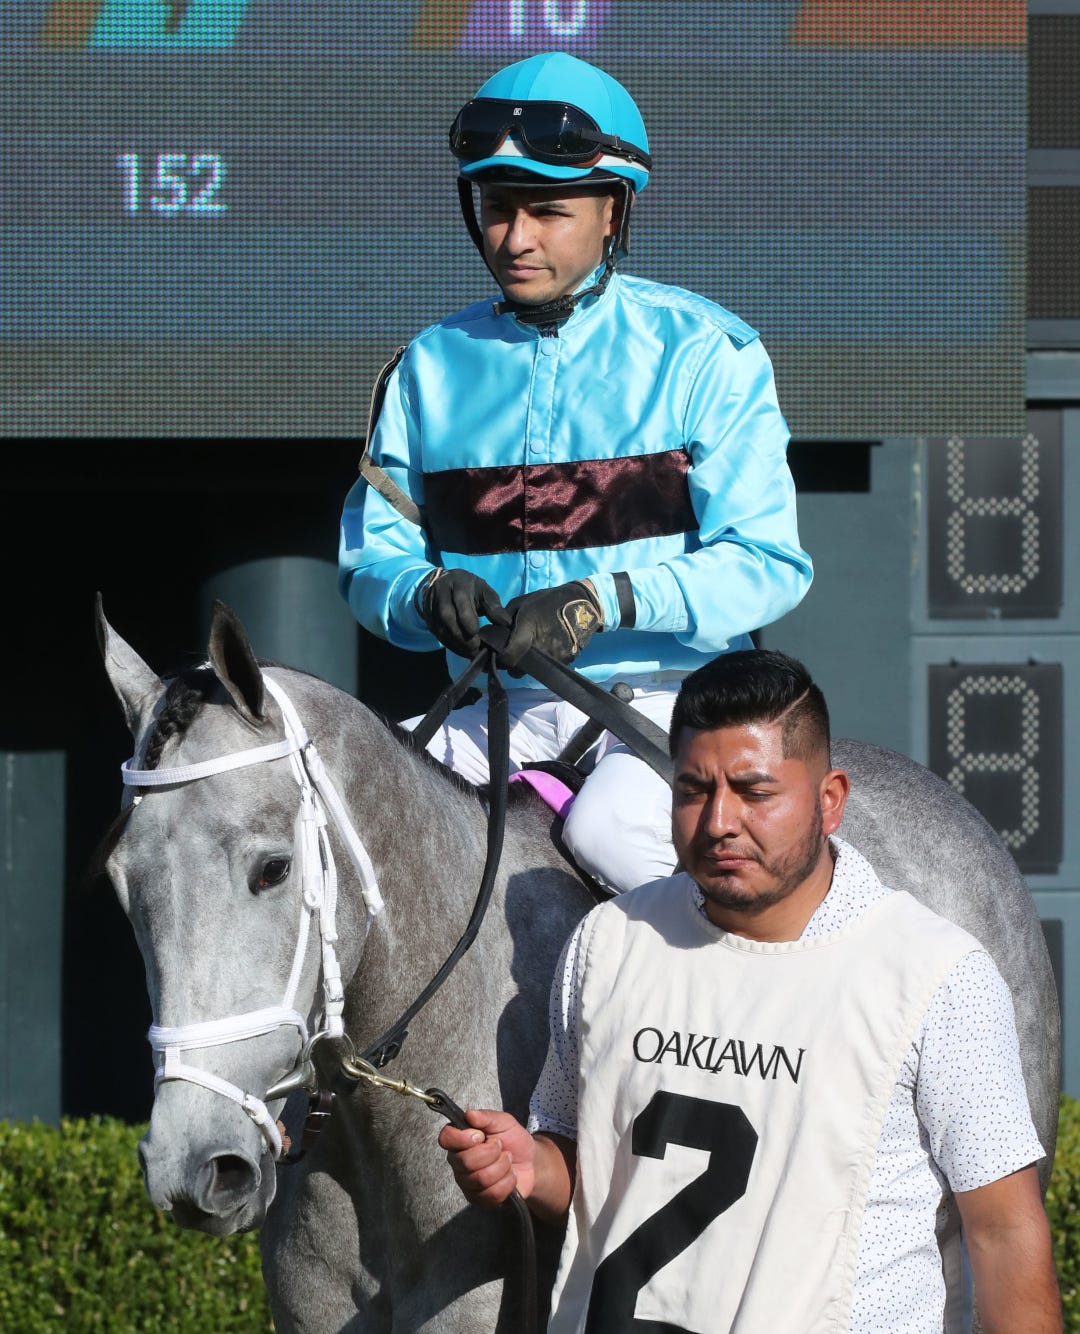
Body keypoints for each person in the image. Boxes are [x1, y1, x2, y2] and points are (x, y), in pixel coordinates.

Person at [438, 650, 1061, 1332]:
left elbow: (1004, 1231)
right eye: (692, 790)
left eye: (754, 792)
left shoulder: (938, 976)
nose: (718, 822)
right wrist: (534, 1168)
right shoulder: (607, 942)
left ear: (830, 800)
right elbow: (588, 1172)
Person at [338, 51, 813, 895]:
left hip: (674, 705)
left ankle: (795, 974)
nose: (515, 239)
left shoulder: (708, 354)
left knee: (609, 832)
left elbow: (767, 564)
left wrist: (607, 601)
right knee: (335, 814)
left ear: (612, 211)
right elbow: (370, 565)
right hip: (492, 708)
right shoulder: (424, 370)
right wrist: (420, 593)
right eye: (496, 209)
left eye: (548, 211)